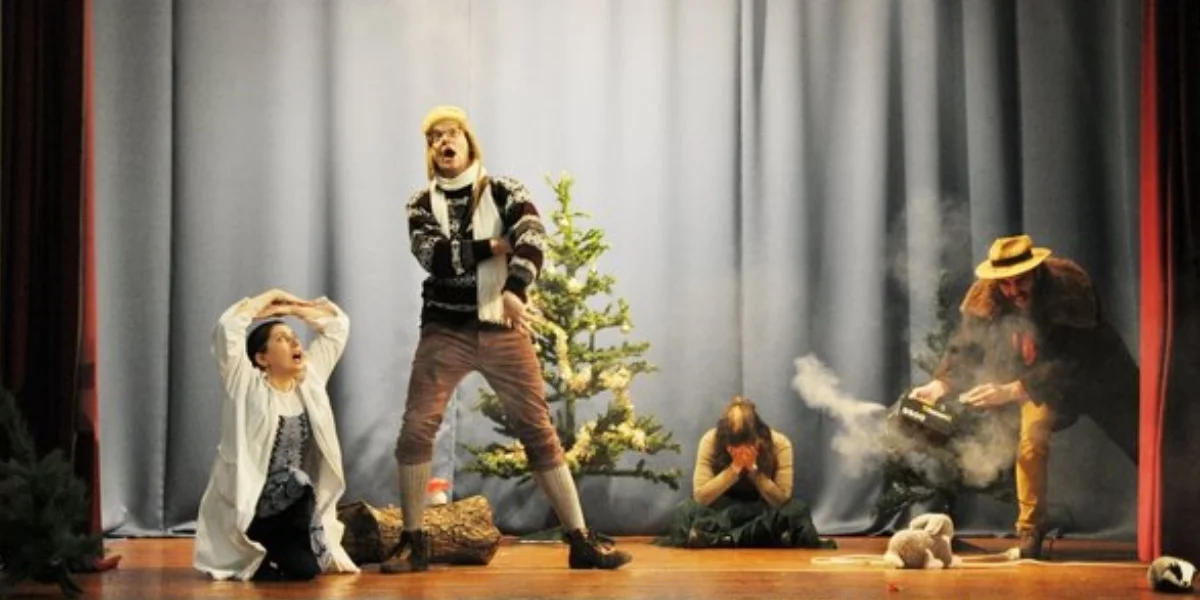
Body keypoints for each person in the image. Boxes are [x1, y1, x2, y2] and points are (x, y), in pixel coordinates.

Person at [381, 105, 631, 573]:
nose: (443, 142)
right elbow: (437, 259)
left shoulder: (504, 190)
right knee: (416, 429)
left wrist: (514, 289)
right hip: (445, 330)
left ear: (468, 140)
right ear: (430, 151)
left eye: (451, 133)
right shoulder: (420, 203)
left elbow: (533, 236)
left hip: (502, 327)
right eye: (435, 138)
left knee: (537, 430)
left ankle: (580, 539)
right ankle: (413, 542)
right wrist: (493, 246)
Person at [909, 234, 1139, 559]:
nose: (1013, 291)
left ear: (1036, 272)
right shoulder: (986, 298)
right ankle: (1031, 529)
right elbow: (965, 348)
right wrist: (939, 385)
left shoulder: (1068, 292)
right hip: (1038, 385)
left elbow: (1073, 359)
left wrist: (1011, 390)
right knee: (1031, 439)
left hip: (1097, 377)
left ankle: (1175, 515)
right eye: (1005, 284)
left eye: (1020, 281)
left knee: (1144, 440)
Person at [194, 288, 359, 581]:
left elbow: (337, 326)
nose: (295, 342)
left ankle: (278, 551)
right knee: (297, 479)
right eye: (282, 339)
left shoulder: (310, 379)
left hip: (294, 508)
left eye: (294, 337)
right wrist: (269, 299)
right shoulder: (244, 384)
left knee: (307, 571)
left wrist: (293, 309)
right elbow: (227, 328)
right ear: (262, 358)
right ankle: (257, 547)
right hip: (253, 507)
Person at [658, 396, 832, 549]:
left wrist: (754, 472)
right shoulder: (710, 440)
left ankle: (718, 540)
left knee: (797, 511)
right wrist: (733, 470)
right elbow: (701, 497)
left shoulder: (779, 443)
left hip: (762, 509)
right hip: (723, 510)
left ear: (758, 437)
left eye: (746, 443)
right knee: (685, 510)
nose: (740, 449)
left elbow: (782, 501)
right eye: (734, 445)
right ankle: (752, 538)